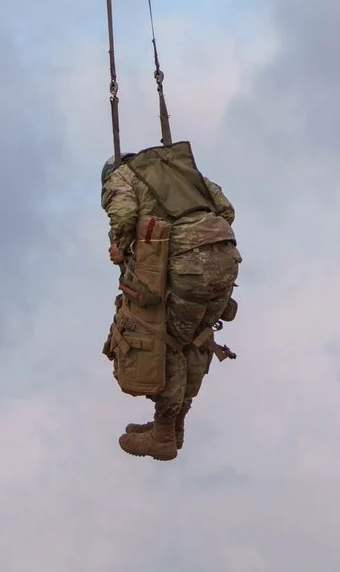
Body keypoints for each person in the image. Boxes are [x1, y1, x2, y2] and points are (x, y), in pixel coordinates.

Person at [101, 141, 240, 460]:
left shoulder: (120, 178)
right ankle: (173, 426)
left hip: (187, 267)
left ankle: (163, 434)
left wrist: (123, 247)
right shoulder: (179, 173)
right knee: (194, 337)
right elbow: (227, 210)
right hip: (227, 259)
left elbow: (122, 217)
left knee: (168, 340)